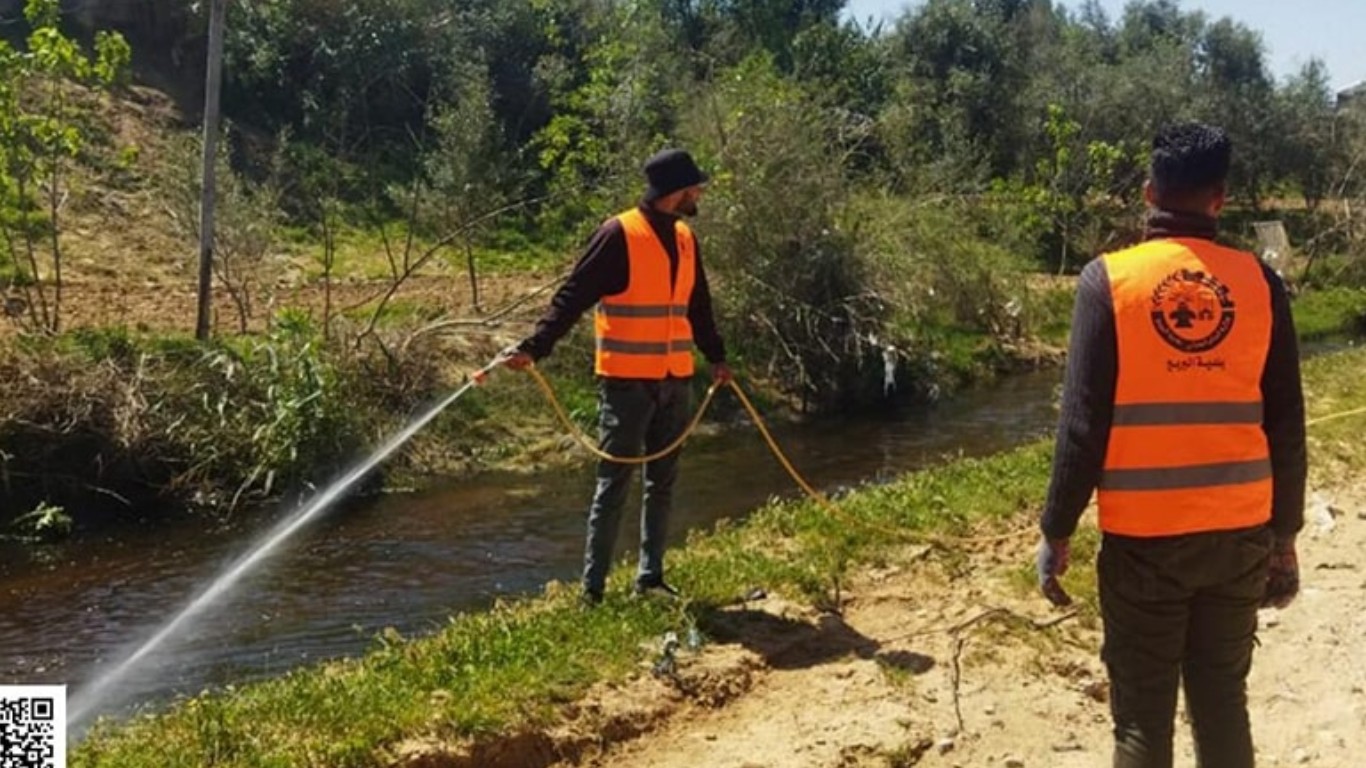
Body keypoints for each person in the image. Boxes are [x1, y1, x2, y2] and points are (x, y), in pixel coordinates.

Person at [1035, 123, 1307, 767]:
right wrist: (1285, 536)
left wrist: (1057, 530)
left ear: (1149, 192)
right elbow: (1286, 423)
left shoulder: (1108, 283)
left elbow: (1082, 426)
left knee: (1140, 722)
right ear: (1220, 198)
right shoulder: (1260, 285)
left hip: (1143, 543)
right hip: (1240, 534)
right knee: (1222, 703)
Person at [504, 148, 731, 605]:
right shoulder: (617, 234)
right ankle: (593, 592)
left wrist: (717, 357)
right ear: (676, 190)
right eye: (695, 187)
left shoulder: (686, 238)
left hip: (676, 380)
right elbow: (572, 296)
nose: (700, 193)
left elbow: (698, 305)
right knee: (614, 486)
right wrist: (536, 347)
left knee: (662, 483)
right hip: (627, 384)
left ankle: (650, 579)